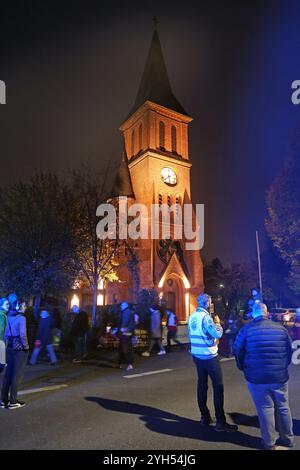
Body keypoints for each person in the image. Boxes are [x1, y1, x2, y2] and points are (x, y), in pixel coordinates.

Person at [233, 302, 294, 450]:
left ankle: (269, 442)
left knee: (265, 408)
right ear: (266, 313)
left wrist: (243, 368)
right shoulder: (281, 329)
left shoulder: (246, 330)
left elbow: (238, 351)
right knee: (283, 407)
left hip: (256, 378)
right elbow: (289, 350)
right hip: (279, 376)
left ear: (254, 314)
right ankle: (287, 439)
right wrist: (281, 366)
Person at [188, 293, 238, 432]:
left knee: (202, 386)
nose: (211, 305)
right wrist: (217, 323)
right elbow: (218, 334)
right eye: (210, 303)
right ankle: (220, 423)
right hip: (209, 357)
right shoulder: (206, 318)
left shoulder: (192, 316)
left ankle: (204, 417)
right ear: (207, 303)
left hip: (197, 356)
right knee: (218, 388)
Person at [0, 294, 29, 409]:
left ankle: (3, 401)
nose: (25, 307)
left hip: (9, 348)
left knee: (7, 375)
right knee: (16, 375)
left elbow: (6, 334)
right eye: (24, 305)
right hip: (19, 349)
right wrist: (26, 347)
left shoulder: (10, 317)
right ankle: (13, 401)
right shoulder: (21, 318)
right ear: (19, 306)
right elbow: (22, 334)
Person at [118, 302, 135, 371]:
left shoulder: (125, 312)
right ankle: (122, 363)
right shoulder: (130, 311)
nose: (120, 307)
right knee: (126, 347)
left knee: (125, 348)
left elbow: (125, 321)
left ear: (123, 306)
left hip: (125, 332)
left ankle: (129, 364)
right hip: (129, 332)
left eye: (121, 306)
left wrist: (122, 329)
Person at [0, 298, 9, 374]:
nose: (8, 306)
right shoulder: (2, 315)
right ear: (1, 305)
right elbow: (1, 330)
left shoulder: (3, 314)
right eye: (6, 304)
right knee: (2, 363)